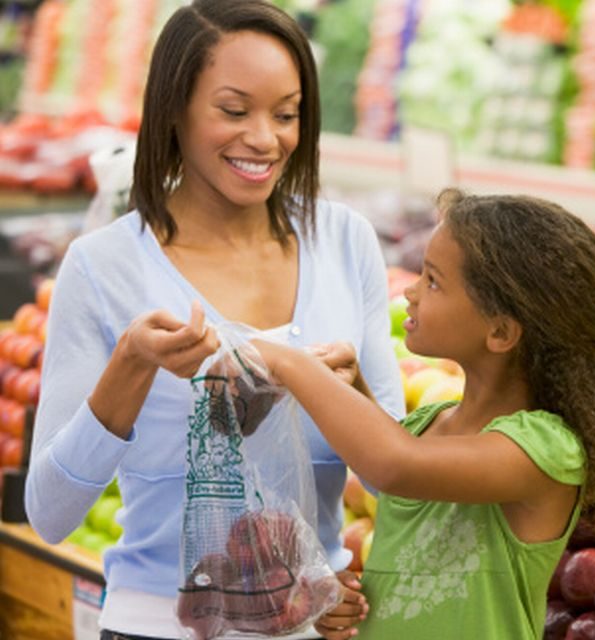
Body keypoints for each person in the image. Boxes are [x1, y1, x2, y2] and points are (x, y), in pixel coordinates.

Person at [24, 2, 404, 639]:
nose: (265, 137)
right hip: (156, 626)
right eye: (234, 111)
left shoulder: (345, 241)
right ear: (174, 108)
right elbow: (50, 514)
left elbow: (398, 485)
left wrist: (354, 395)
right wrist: (130, 367)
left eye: (287, 114)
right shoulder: (104, 265)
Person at [249, 188, 595, 639]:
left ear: (499, 331)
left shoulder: (545, 449)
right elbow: (394, 480)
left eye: (433, 281)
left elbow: (395, 466)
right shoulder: (430, 423)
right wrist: (340, 601)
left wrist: (288, 361)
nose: (411, 293)